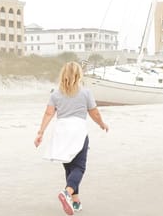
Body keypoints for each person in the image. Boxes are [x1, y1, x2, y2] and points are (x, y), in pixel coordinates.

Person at [34, 61, 108, 215]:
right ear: (78, 75)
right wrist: (101, 124)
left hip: (61, 130)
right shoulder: (85, 92)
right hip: (78, 130)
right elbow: (94, 113)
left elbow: (48, 113)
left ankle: (75, 202)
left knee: (69, 166)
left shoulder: (55, 93)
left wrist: (40, 132)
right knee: (79, 166)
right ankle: (67, 193)